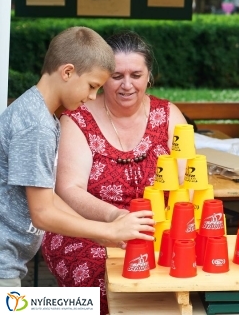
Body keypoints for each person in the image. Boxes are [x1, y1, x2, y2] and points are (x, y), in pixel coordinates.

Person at [42, 31, 187, 314]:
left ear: (149, 75)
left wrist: (170, 229)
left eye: (136, 74)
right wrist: (115, 219)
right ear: (102, 76)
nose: (127, 85)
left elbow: (187, 181)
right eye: (117, 76)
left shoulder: (168, 115)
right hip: (87, 231)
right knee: (106, 279)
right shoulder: (78, 119)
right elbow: (69, 189)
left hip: (158, 230)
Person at [0, 27, 154, 288]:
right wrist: (107, 231)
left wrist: (101, 231)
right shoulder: (35, 125)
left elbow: (46, 197)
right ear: (68, 72)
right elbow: (42, 214)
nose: (93, 96)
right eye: (92, 86)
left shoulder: (39, 113)